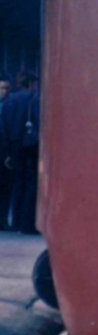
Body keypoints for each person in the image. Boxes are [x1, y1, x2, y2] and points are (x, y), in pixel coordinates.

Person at [3, 72, 39, 234]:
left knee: (17, 183)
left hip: (14, 145)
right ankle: (27, 224)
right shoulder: (34, 99)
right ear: (31, 83)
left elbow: (4, 125)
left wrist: (8, 150)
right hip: (30, 145)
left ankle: (15, 221)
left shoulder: (10, 100)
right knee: (31, 183)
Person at [0, 74, 12, 229]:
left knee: (5, 187)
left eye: (7, 88)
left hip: (4, 150)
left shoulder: (10, 105)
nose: (5, 91)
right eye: (2, 88)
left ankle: (2, 219)